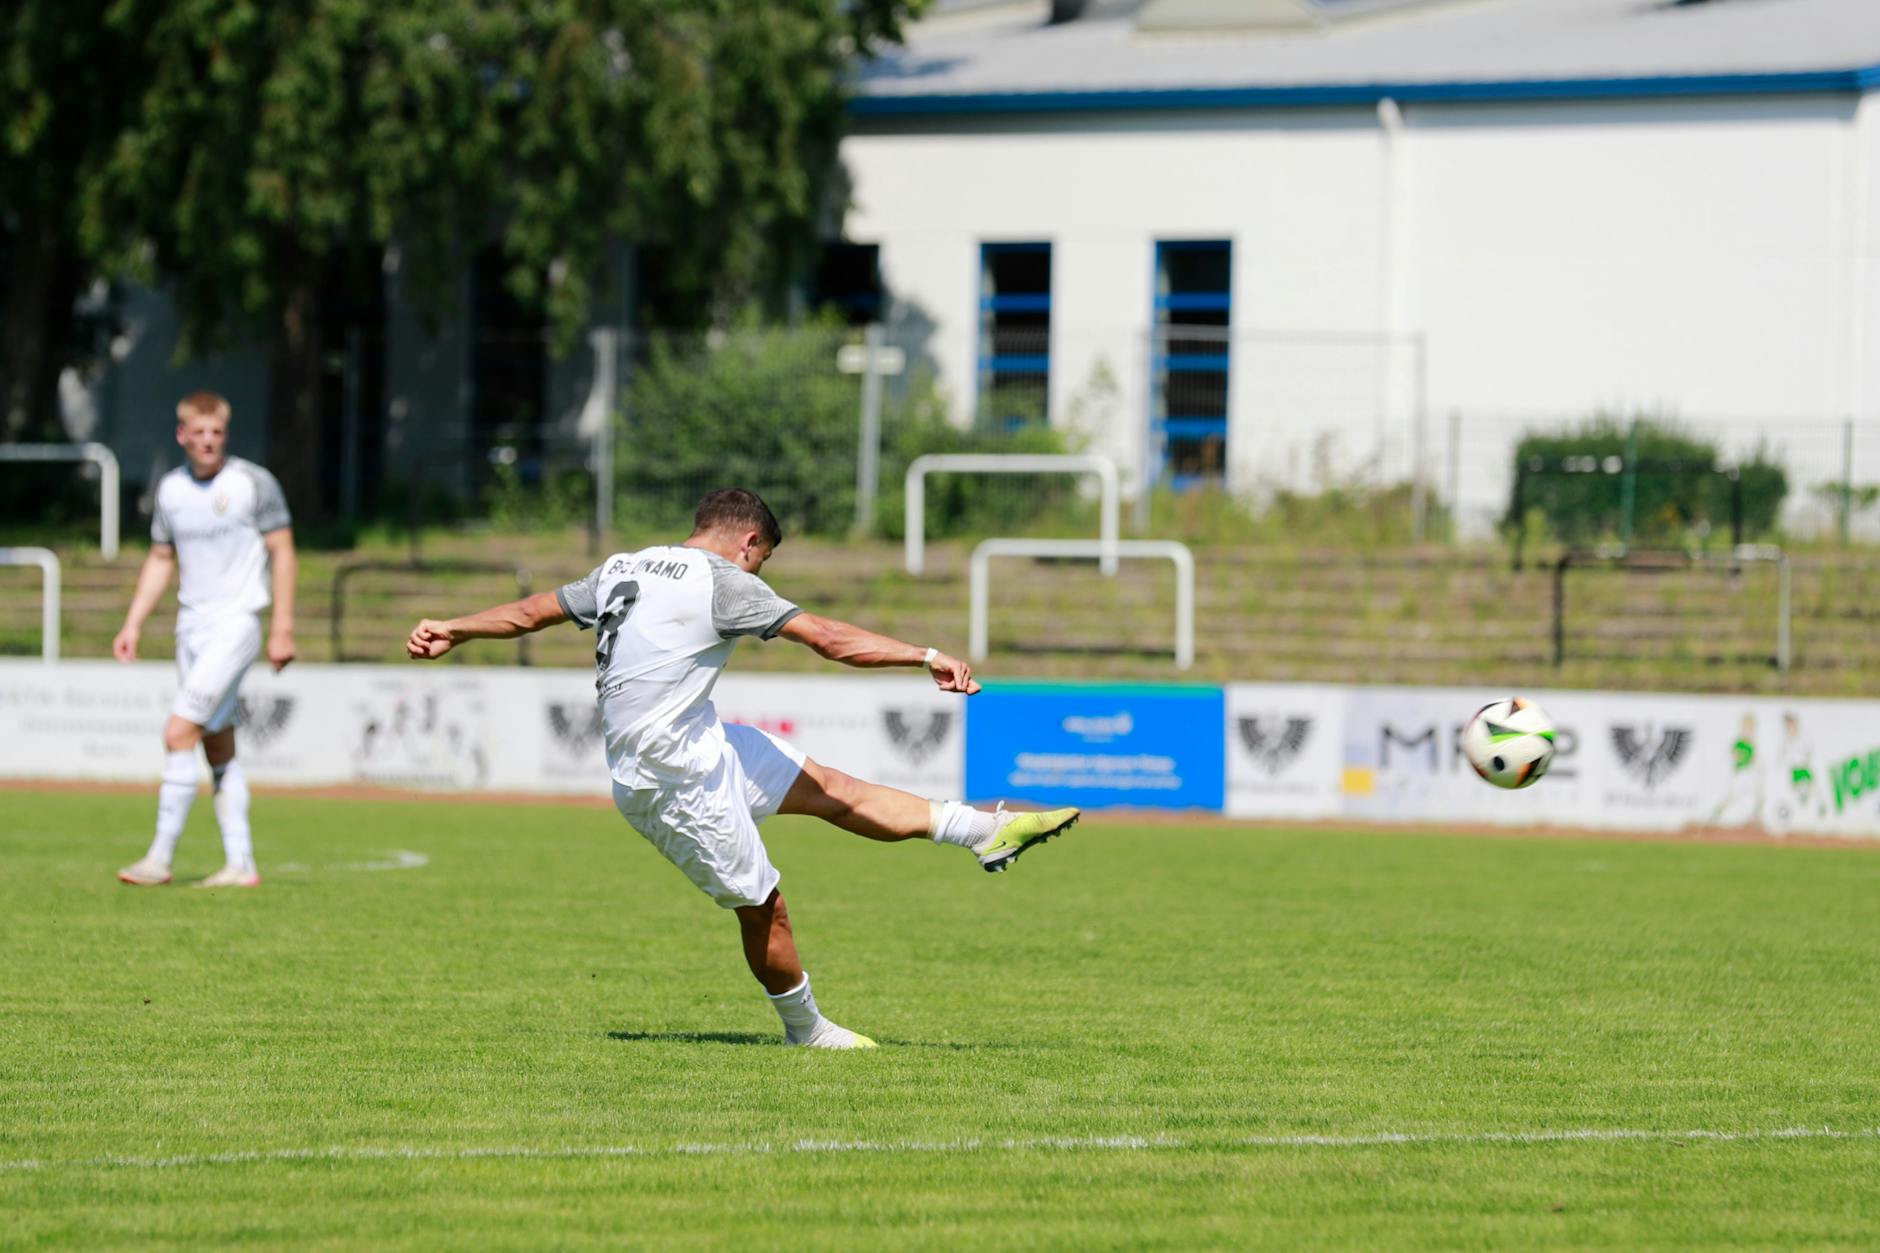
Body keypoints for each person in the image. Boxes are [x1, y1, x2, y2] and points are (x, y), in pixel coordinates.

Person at [405, 488, 1078, 1049]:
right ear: (748, 541)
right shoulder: (723, 582)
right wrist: (924, 653)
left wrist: (455, 626)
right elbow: (827, 638)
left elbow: (531, 611)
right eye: (763, 561)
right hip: (670, 780)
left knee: (833, 790)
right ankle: (806, 1032)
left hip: (702, 743)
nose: (759, 575)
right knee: (764, 909)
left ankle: (982, 832)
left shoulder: (623, 566)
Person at [114, 392, 298, 889]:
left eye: (216, 432)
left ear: (226, 434)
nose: (208, 441)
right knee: (218, 745)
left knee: (178, 733)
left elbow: (282, 551)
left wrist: (282, 625)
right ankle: (241, 864)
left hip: (236, 624)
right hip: (190, 628)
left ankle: (158, 859)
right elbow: (160, 558)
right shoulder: (171, 490)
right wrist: (133, 622)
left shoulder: (252, 483)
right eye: (198, 432)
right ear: (182, 435)